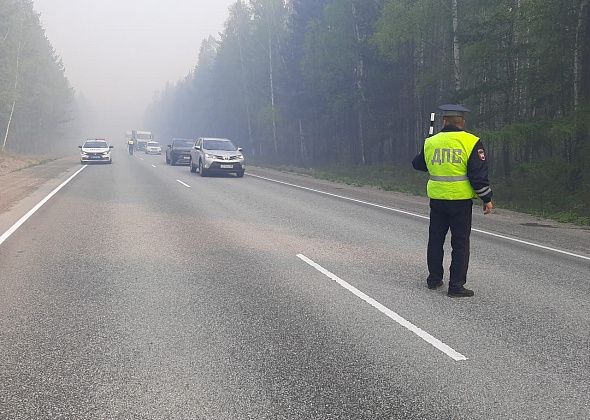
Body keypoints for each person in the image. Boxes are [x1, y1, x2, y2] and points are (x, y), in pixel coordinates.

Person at [412, 104, 493, 298]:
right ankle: (456, 286)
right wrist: (486, 198)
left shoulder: (432, 142)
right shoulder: (471, 141)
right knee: (460, 243)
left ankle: (434, 279)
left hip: (438, 199)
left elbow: (418, 164)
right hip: (460, 201)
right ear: (462, 122)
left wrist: (428, 150)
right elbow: (477, 174)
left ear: (444, 121)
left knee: (436, 240)